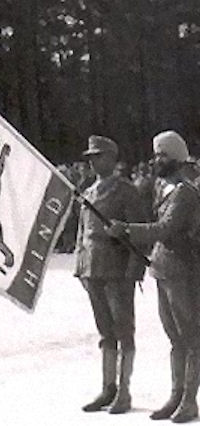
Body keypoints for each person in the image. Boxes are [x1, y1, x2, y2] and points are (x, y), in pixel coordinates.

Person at [107, 131, 200, 423]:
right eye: (156, 154)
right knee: (175, 339)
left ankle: (189, 400)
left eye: (162, 155)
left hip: (183, 272)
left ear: (176, 157)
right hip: (163, 270)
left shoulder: (185, 192)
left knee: (191, 338)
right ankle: (176, 394)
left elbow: (164, 229)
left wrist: (127, 229)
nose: (156, 160)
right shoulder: (165, 187)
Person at [73, 135, 146, 414]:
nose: (93, 162)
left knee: (123, 329)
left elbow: (139, 233)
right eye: (90, 157)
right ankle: (108, 388)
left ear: (113, 159)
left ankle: (124, 391)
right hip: (94, 269)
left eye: (99, 156)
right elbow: (83, 233)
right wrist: (80, 266)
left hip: (118, 269)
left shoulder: (126, 190)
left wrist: (133, 271)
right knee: (105, 332)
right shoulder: (89, 192)